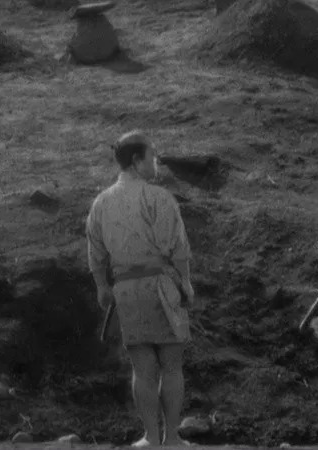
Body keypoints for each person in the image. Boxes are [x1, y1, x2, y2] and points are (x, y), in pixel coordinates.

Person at [86, 131, 195, 447]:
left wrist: (102, 286)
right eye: (152, 156)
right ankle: (171, 438)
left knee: (142, 369)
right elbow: (178, 248)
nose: (156, 162)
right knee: (171, 366)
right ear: (136, 160)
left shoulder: (101, 202)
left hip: (126, 290)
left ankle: (150, 437)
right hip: (162, 285)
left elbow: (95, 251)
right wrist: (186, 283)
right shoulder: (158, 197)